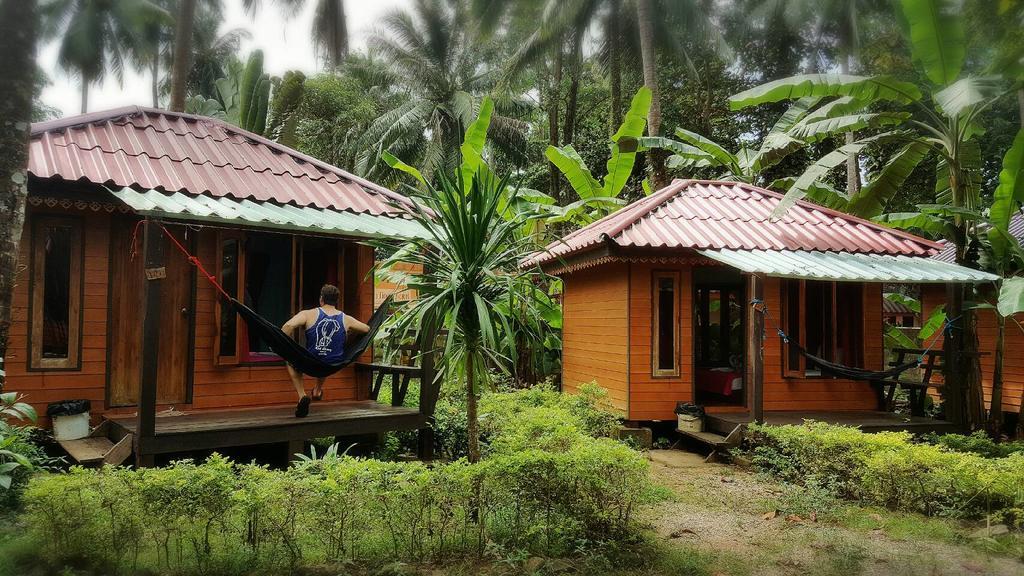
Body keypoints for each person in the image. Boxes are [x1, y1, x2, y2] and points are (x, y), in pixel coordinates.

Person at [282, 284, 369, 417]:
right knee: (327, 357)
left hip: (311, 361)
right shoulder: (346, 318)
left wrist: (283, 343)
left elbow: (288, 325)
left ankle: (302, 396)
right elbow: (367, 329)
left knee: (289, 359)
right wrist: (348, 333)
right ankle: (317, 390)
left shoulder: (308, 314)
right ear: (336, 301)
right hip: (332, 364)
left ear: (321, 299)